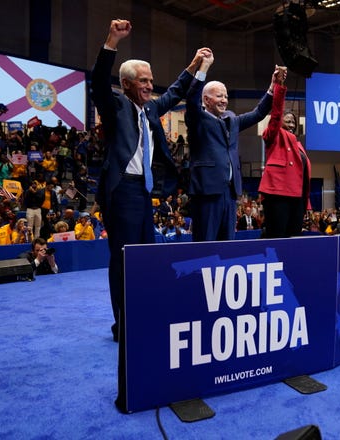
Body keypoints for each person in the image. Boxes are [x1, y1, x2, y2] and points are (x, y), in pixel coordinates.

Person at [90, 19, 209, 352]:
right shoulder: (115, 106)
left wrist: (193, 65)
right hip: (121, 191)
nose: (149, 85)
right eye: (143, 80)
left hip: (143, 192)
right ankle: (122, 323)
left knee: (143, 259)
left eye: (150, 80)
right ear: (126, 83)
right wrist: (112, 40)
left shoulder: (151, 108)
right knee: (124, 259)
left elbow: (174, 93)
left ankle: (139, 315)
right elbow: (99, 83)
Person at [186, 54, 275, 242]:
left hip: (230, 193)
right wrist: (203, 68)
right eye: (219, 96)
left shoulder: (232, 120)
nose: (224, 100)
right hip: (207, 191)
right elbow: (192, 99)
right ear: (206, 100)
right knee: (206, 243)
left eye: (226, 96)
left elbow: (258, 113)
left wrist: (272, 87)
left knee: (227, 244)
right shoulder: (197, 118)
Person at [258, 66, 312, 238]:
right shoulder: (274, 135)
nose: (291, 125)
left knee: (294, 240)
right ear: (280, 123)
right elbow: (275, 114)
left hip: (297, 199)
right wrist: (279, 86)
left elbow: (303, 178)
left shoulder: (298, 145)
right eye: (287, 121)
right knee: (277, 239)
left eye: (294, 123)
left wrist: (307, 205)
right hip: (278, 195)